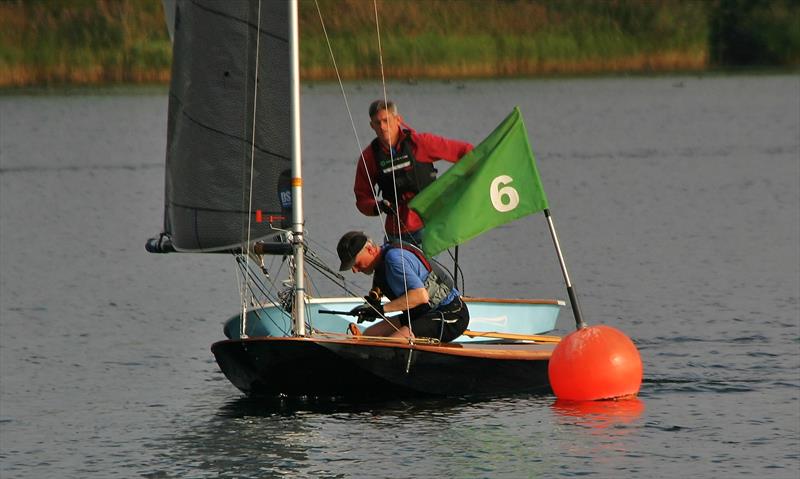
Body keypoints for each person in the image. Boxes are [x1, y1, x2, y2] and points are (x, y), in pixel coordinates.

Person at [354, 100, 473, 244]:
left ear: (398, 120)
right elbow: (362, 198)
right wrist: (377, 206)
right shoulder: (369, 157)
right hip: (394, 232)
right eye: (377, 123)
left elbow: (465, 152)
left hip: (427, 227)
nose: (383, 127)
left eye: (387, 120)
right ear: (371, 126)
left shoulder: (420, 143)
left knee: (421, 266)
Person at [336, 230, 469, 342]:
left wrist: (382, 310)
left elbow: (420, 296)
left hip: (450, 313)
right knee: (370, 334)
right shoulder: (380, 265)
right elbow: (379, 299)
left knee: (392, 343)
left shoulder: (394, 259)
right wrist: (370, 310)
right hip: (422, 315)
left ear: (370, 250)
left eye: (356, 263)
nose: (354, 270)